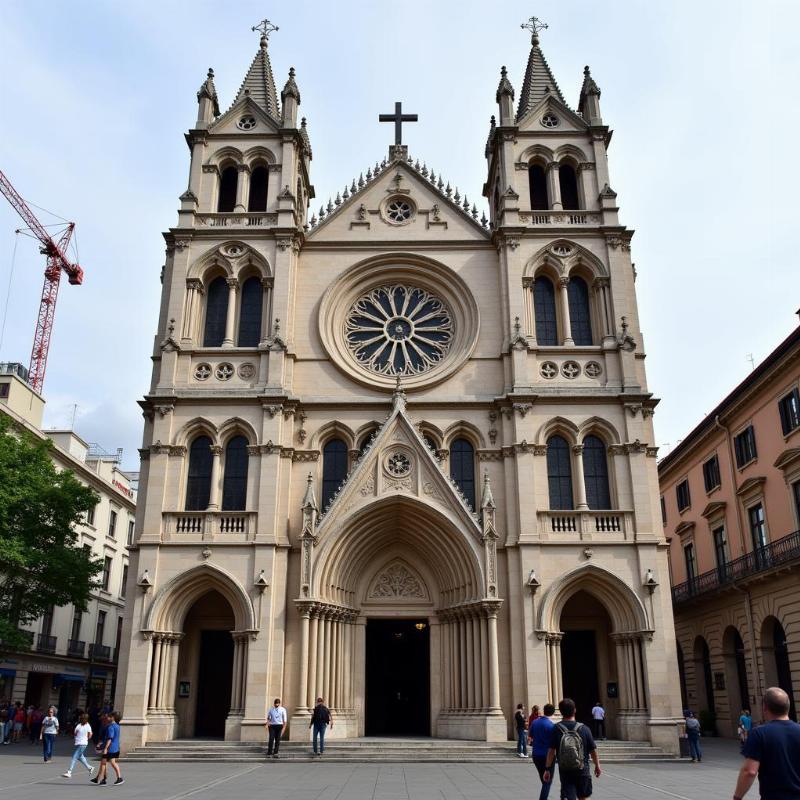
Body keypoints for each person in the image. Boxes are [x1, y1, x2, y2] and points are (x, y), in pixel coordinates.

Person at [733, 687, 800, 800]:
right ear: (788, 707)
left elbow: (750, 771)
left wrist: (737, 797)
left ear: (765, 707)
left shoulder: (759, 733)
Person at [543, 698, 601, 800]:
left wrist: (547, 769)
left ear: (560, 712)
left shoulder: (556, 729)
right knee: (584, 797)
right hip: (583, 770)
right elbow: (593, 750)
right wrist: (597, 766)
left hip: (566, 770)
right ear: (574, 710)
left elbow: (551, 751)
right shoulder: (585, 729)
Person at [530, 703, 557, 800]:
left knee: (544, 778)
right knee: (547, 781)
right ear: (553, 712)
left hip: (536, 755)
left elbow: (531, 736)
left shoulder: (535, 722)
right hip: (547, 756)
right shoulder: (552, 725)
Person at [91, 710, 123, 786]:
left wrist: (105, 748)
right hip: (115, 747)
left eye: (110, 716)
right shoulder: (118, 726)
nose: (108, 717)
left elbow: (109, 738)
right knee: (109, 763)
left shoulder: (110, 727)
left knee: (104, 763)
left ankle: (103, 779)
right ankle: (100, 778)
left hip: (110, 748)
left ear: (113, 718)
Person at [62, 712, 94, 778]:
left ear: (85, 719)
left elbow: (90, 735)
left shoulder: (88, 726)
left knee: (74, 757)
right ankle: (89, 767)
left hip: (83, 744)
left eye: (82, 718)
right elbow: (75, 733)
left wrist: (85, 738)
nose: (81, 719)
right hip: (78, 743)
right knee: (80, 757)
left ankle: (69, 772)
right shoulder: (79, 725)